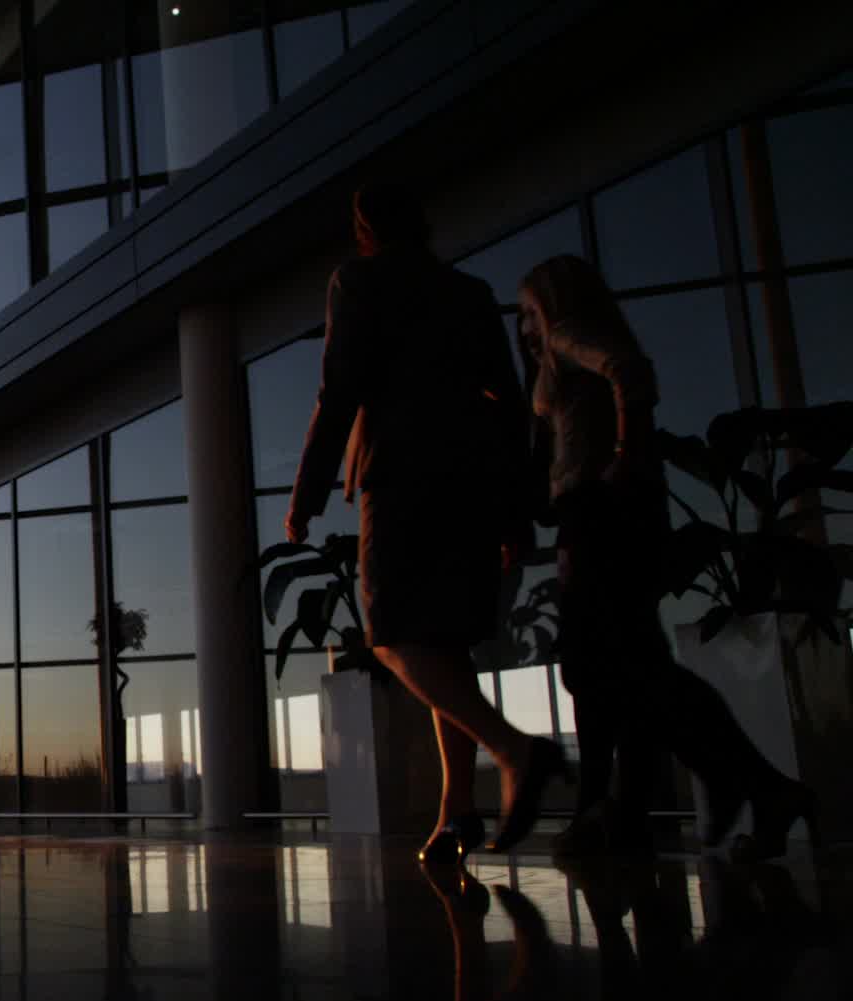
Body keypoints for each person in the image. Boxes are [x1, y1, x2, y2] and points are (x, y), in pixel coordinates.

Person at [287, 183, 567, 861]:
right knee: (445, 646)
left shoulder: (357, 281)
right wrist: (511, 506)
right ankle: (456, 812)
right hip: (470, 477)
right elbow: (507, 401)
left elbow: (340, 387)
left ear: (363, 229)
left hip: (401, 473)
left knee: (391, 636)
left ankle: (514, 752)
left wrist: (307, 490)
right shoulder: (468, 292)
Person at [517, 254, 816, 860]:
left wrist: (626, 452)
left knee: (622, 666)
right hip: (604, 510)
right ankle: (724, 792)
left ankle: (739, 786)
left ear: (552, 304)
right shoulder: (556, 358)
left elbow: (629, 371)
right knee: (624, 664)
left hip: (605, 510)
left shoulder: (570, 337)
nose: (525, 327)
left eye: (528, 312)